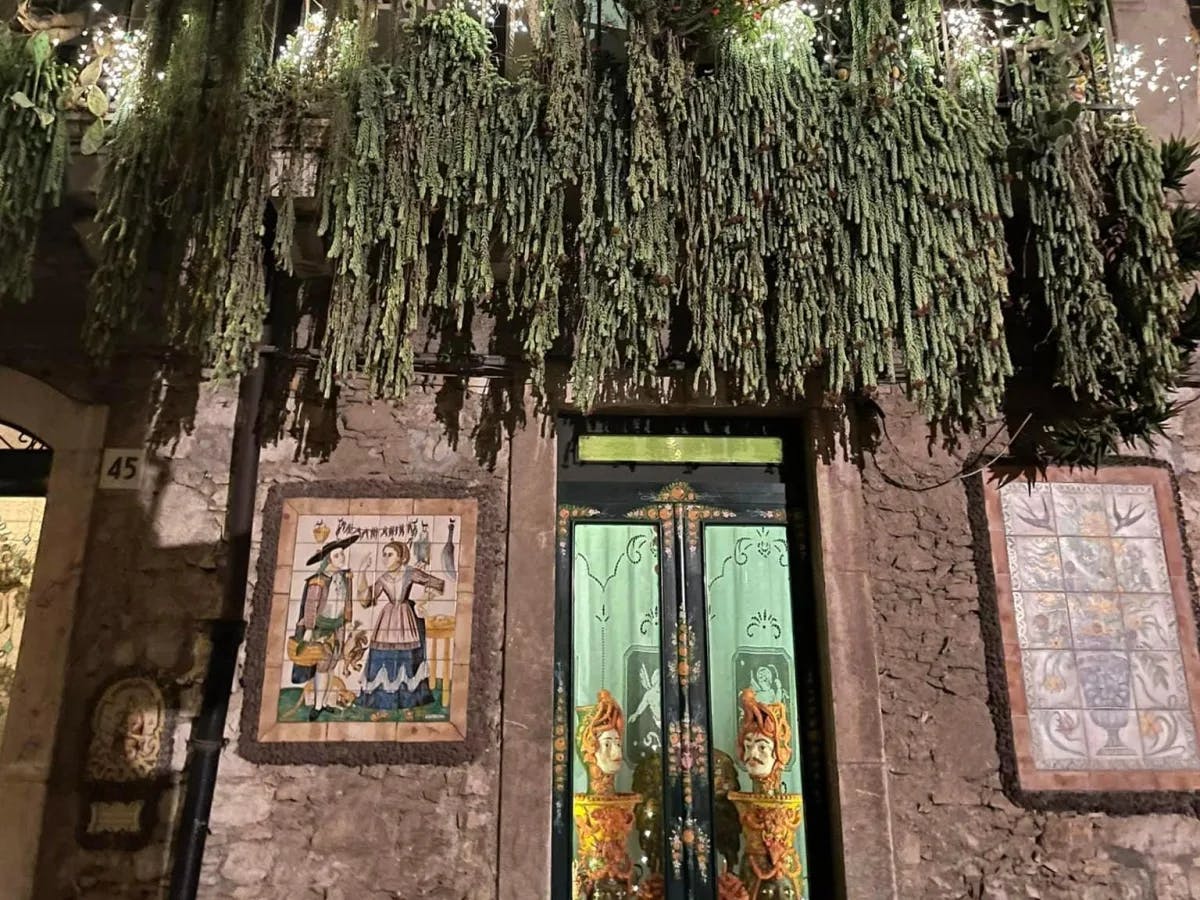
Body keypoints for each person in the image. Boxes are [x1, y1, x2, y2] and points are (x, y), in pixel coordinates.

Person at [357, 541, 445, 710]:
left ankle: (408, 702)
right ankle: (381, 703)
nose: (385, 558)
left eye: (389, 554)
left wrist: (423, 601)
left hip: (406, 618)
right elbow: (366, 601)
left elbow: (438, 584)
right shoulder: (383, 578)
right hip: (387, 619)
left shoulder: (410, 572)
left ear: (401, 557)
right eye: (384, 554)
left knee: (407, 658)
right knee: (382, 657)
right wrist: (362, 571)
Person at [291, 535, 359, 721]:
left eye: (342, 555)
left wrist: (348, 620)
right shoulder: (318, 581)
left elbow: (347, 601)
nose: (342, 558)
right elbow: (310, 607)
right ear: (328, 559)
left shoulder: (344, 578)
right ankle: (318, 705)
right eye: (337, 555)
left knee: (331, 666)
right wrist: (310, 629)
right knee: (322, 665)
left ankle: (325, 702)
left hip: (337, 627)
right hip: (321, 628)